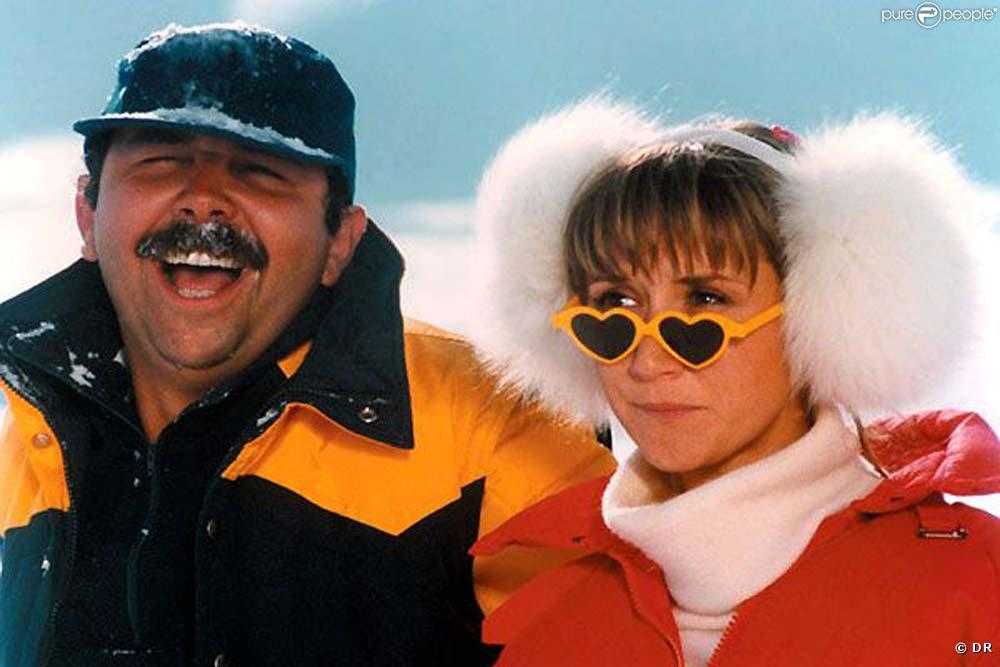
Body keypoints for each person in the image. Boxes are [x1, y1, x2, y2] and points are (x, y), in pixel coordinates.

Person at [0, 23, 614, 666]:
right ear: (87, 215)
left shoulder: (497, 422)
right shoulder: (42, 431)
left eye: (260, 172)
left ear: (339, 243)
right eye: (161, 163)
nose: (204, 200)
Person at [466, 99, 1000, 665]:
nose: (647, 361)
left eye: (706, 301)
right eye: (614, 306)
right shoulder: (551, 629)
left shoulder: (973, 590)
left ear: (820, 314)